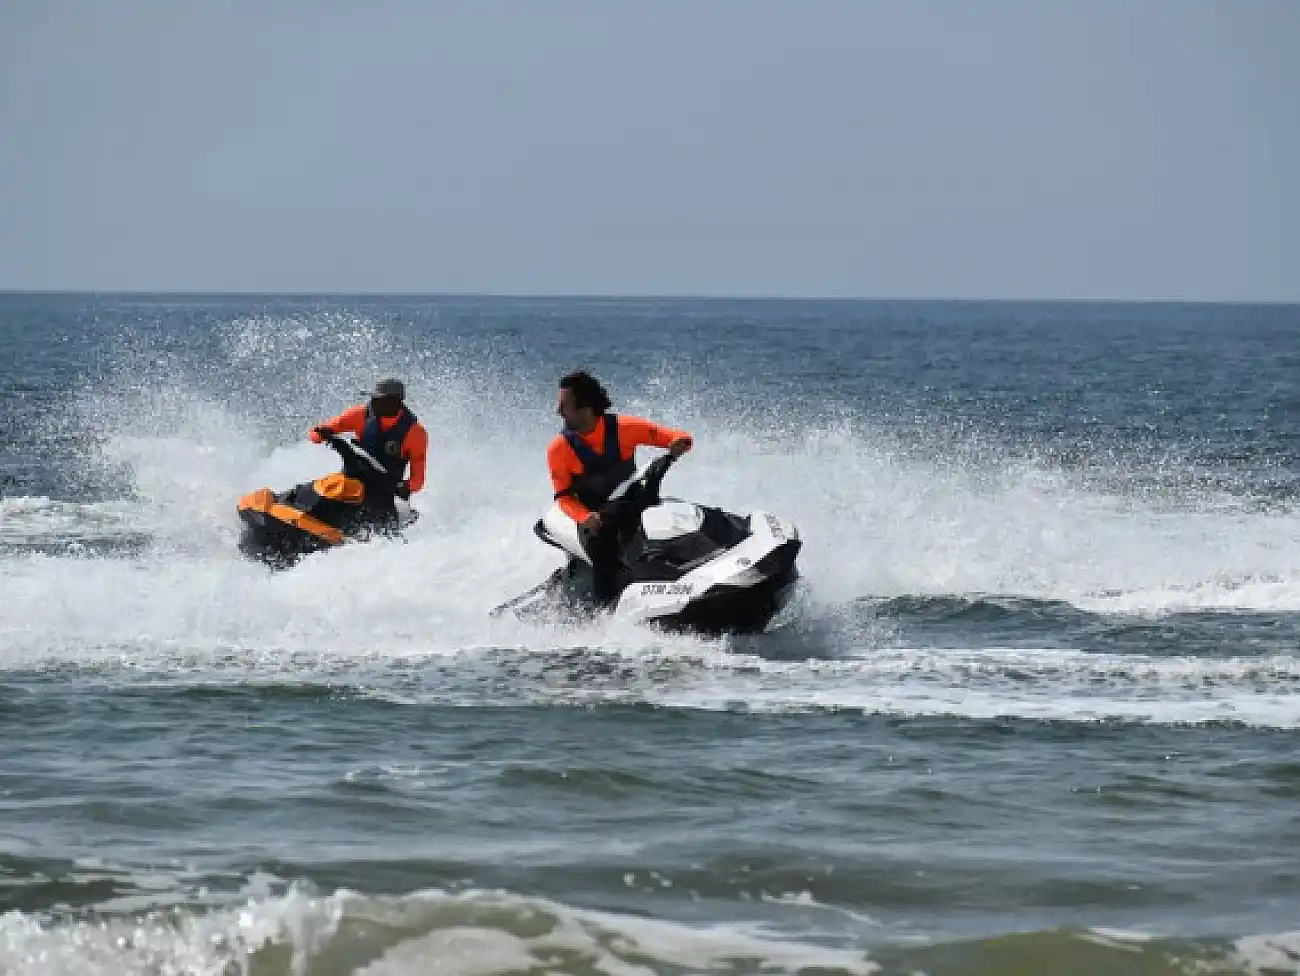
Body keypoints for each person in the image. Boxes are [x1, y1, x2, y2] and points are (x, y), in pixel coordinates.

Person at [547, 370, 693, 607]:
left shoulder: (624, 428)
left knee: (668, 525)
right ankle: (605, 613)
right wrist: (585, 517)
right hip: (596, 521)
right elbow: (563, 497)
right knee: (605, 552)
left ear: (585, 408)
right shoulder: (559, 449)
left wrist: (681, 442)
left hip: (630, 504)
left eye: (564, 405)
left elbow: (674, 436)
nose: (558, 411)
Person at [308, 378, 429, 530]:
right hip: (353, 478)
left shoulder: (416, 433)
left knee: (380, 517)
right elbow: (315, 432)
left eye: (378, 399)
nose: (372, 402)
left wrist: (407, 486)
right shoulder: (360, 414)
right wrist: (321, 435)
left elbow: (418, 479)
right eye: (373, 398)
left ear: (395, 402)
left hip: (384, 491)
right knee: (328, 489)